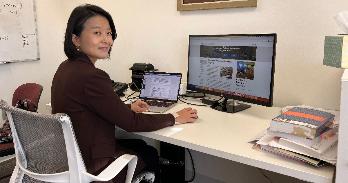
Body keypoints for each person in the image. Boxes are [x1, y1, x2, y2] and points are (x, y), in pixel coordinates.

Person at [51, 4, 198, 183]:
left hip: (73, 155)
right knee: (149, 154)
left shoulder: (66, 68)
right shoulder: (92, 76)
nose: (107, 40)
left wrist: (128, 107)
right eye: (97, 33)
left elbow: (91, 107)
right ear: (76, 39)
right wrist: (174, 117)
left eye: (109, 33)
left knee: (141, 146)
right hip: (93, 164)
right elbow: (131, 123)